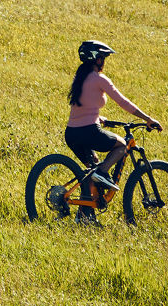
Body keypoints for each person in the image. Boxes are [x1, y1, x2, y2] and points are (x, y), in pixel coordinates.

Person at [65, 40, 161, 193]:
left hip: (71, 134)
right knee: (122, 145)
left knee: (92, 170)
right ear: (98, 59)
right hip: (89, 131)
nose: (104, 62)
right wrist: (147, 119)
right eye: (103, 58)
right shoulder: (100, 79)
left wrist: (98, 117)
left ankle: (85, 212)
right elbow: (123, 101)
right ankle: (102, 173)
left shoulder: (80, 77)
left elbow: (82, 105)